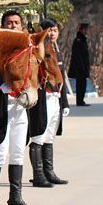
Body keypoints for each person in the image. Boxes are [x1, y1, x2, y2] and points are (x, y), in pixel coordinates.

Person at [0, 10, 38, 205]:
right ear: (2, 25)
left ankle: (15, 200)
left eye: (16, 22)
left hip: (20, 107)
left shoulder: (27, 49)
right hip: (2, 107)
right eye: (9, 22)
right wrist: (5, 87)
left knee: (17, 153)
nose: (13, 25)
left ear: (21, 26)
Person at [27, 19, 69, 187]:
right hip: (42, 94)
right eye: (48, 30)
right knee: (38, 135)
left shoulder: (55, 49)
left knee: (49, 136)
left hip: (54, 96)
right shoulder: (37, 47)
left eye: (54, 30)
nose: (52, 33)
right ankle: (38, 174)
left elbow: (61, 78)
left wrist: (64, 103)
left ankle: (49, 172)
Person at [69, 23, 91, 106]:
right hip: (80, 67)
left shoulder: (82, 40)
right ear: (81, 30)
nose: (86, 31)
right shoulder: (78, 40)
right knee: (80, 84)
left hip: (83, 66)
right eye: (85, 29)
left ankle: (81, 100)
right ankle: (79, 101)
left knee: (83, 84)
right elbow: (78, 55)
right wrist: (82, 66)